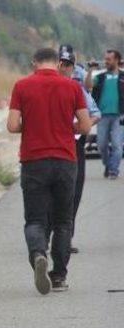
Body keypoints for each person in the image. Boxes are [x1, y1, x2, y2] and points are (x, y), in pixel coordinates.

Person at [7, 48, 91, 295]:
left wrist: (32, 123)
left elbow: (12, 125)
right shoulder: (72, 87)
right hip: (65, 160)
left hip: (34, 161)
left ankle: (38, 255)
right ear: (57, 63)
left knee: (35, 220)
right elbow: (85, 126)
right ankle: (59, 276)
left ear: (35, 63)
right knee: (63, 221)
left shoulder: (22, 85)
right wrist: (66, 124)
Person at [58, 46, 102, 256]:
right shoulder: (47, 86)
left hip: (75, 143)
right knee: (52, 192)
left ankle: (66, 238)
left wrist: (82, 125)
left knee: (74, 191)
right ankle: (51, 233)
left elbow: (95, 113)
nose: (63, 68)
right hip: (54, 144)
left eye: (67, 65)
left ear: (73, 67)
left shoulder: (78, 89)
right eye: (60, 64)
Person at [86, 49, 124, 179]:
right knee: (101, 145)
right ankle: (108, 165)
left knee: (117, 145)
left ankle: (113, 170)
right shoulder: (100, 77)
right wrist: (90, 70)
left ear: (117, 60)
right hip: (102, 116)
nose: (106, 61)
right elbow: (88, 86)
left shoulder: (123, 77)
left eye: (109, 59)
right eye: (105, 59)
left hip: (119, 116)